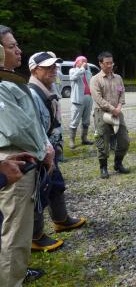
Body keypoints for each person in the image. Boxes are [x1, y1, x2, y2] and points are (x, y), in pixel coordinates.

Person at [0, 26, 53, 285]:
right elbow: (17, 127)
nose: (18, 50)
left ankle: (16, 272)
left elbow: (31, 122)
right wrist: (44, 149)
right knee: (15, 229)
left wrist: (45, 145)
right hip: (14, 159)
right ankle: (11, 280)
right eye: (11, 46)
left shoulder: (10, 78)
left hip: (25, 157)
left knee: (18, 225)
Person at [28, 52, 86, 252]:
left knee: (56, 186)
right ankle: (35, 236)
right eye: (48, 67)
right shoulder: (32, 94)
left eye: (55, 67)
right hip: (40, 153)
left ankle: (61, 220)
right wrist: (45, 153)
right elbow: (34, 127)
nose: (54, 70)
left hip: (51, 149)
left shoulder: (49, 88)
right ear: (35, 70)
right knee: (38, 193)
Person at [90, 52, 130, 179]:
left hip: (118, 112)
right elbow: (98, 98)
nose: (109, 66)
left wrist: (119, 106)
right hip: (102, 113)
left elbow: (122, 93)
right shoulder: (95, 79)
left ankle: (118, 163)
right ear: (100, 64)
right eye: (106, 63)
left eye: (111, 63)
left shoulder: (118, 78)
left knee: (124, 140)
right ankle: (103, 167)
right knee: (102, 141)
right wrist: (113, 109)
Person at [68, 56, 94, 149]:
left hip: (88, 98)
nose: (85, 63)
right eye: (83, 61)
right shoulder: (73, 70)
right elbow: (73, 78)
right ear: (77, 62)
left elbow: (92, 83)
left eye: (86, 61)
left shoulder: (88, 72)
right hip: (78, 99)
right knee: (74, 120)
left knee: (86, 121)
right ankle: (72, 140)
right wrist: (82, 68)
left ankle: (84, 138)